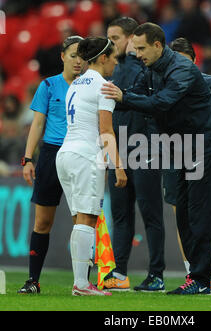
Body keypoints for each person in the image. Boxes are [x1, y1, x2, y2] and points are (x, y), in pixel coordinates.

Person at [102, 23, 211, 295]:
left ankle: (204, 278)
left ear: (157, 45)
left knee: (201, 215)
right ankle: (200, 276)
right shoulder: (150, 70)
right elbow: (133, 96)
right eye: (135, 47)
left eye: (141, 48)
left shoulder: (182, 70)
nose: (137, 53)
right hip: (181, 149)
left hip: (205, 147)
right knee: (185, 215)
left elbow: (161, 103)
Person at [165, 37, 211, 295]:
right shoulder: (168, 88)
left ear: (195, 62)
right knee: (182, 215)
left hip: (207, 154)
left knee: (206, 215)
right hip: (178, 155)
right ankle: (193, 273)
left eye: (185, 63)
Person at [56, 36, 127, 296]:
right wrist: (118, 165)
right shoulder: (104, 86)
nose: (116, 64)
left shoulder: (75, 84)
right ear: (103, 58)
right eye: (115, 58)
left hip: (65, 154)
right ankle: (82, 284)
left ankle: (81, 282)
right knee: (88, 219)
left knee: (80, 220)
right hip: (86, 155)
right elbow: (106, 130)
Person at [18, 35, 85, 294]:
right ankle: (33, 280)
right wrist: (28, 158)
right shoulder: (48, 85)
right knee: (42, 222)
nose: (78, 61)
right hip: (51, 153)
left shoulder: (89, 87)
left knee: (82, 221)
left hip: (79, 154)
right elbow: (37, 124)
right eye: (73, 55)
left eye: (82, 56)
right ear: (62, 57)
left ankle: (82, 282)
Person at [103, 17, 166, 292]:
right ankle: (119, 273)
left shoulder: (146, 67)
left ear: (131, 39)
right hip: (115, 148)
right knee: (120, 213)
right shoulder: (106, 68)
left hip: (144, 147)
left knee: (151, 213)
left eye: (115, 38)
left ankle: (157, 274)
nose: (110, 43)